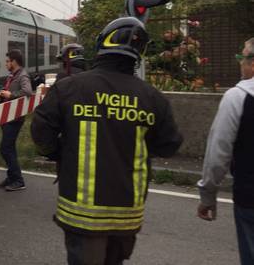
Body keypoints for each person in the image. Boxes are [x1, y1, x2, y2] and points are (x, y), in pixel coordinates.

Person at [31, 17, 183, 265]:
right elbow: (169, 145)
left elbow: (40, 131)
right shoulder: (152, 97)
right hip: (127, 214)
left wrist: (58, 154)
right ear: (139, 52)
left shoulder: (69, 88)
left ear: (102, 44)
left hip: (80, 214)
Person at [197, 38, 254, 264]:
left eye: (242, 58)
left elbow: (218, 153)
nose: (240, 64)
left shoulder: (238, 97)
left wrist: (208, 195)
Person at [0, 49, 33, 191]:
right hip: (9, 116)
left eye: (7, 61)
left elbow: (28, 91)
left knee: (6, 148)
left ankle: (18, 180)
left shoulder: (22, 75)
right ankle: (11, 177)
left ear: (14, 62)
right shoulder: (13, 75)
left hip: (15, 117)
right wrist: (3, 95)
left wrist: (10, 94)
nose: (5, 63)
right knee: (8, 148)